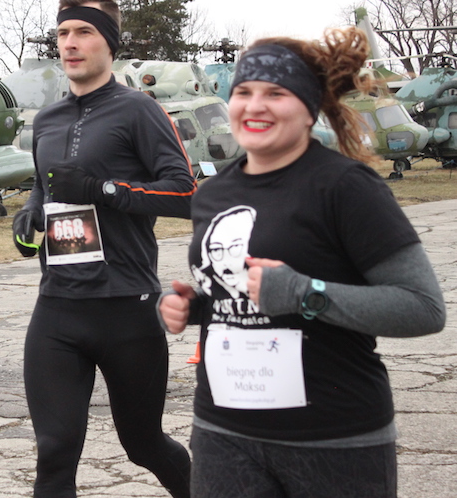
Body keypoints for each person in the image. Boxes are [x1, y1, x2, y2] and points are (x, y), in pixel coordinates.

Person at [157, 27, 446, 498]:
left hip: (333, 437)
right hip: (223, 431)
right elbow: (245, 296)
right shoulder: (213, 194)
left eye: (276, 93)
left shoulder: (346, 187)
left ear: (310, 108)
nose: (255, 106)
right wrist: (193, 307)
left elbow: (423, 308)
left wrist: (306, 294)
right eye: (244, 92)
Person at [13, 0, 196, 498]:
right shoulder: (47, 119)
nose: (70, 43)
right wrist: (30, 211)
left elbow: (185, 194)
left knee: (143, 444)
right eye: (62, 33)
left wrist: (104, 190)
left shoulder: (139, 110)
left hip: (126, 308)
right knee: (54, 451)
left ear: (110, 43)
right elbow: (43, 184)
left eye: (84, 32)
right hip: (58, 307)